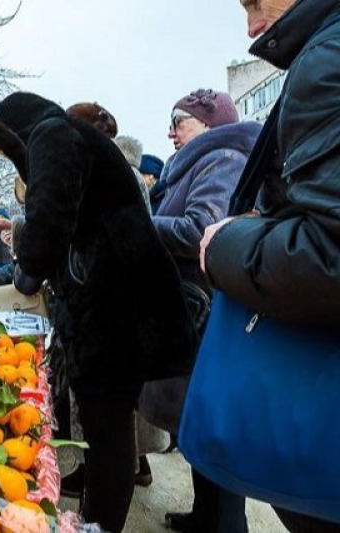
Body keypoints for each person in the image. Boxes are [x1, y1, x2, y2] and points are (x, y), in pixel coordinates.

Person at [0, 91, 198, 532]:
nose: (10, 160)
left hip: (117, 310)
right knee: (107, 429)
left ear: (14, 130)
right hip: (119, 303)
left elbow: (51, 215)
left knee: (108, 430)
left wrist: (25, 277)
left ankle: (100, 524)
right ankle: (99, 519)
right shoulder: (65, 136)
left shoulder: (51, 134)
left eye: (5, 150)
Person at [200, 0, 340, 531]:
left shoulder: (326, 60)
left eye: (256, 1)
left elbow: (329, 256)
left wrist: (225, 242)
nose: (252, 27)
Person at [137, 89, 262, 533]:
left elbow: (199, 230)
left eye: (180, 120)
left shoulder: (222, 158)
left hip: (207, 319)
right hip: (193, 315)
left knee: (214, 427)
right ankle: (206, 515)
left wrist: (138, 222)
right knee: (199, 426)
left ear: (210, 124)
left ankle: (226, 523)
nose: (171, 131)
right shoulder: (195, 164)